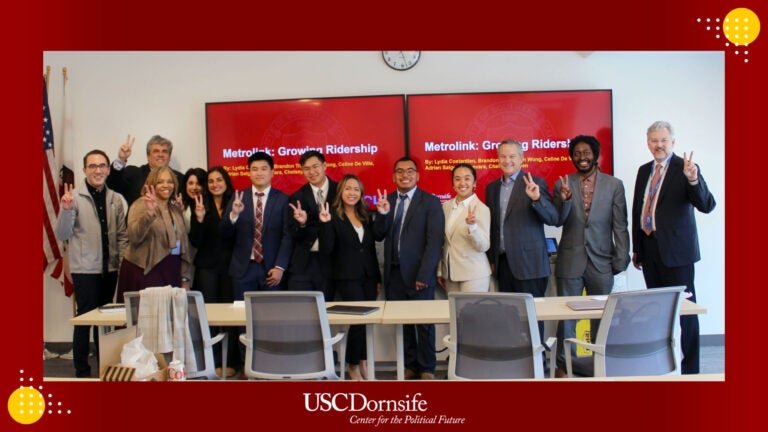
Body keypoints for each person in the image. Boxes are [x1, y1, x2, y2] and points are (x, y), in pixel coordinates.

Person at [632, 121, 716, 374]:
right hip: (650, 249)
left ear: (673, 143)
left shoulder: (686, 168)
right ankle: (662, 366)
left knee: (685, 313)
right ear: (648, 143)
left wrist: (694, 179)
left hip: (678, 254)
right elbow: (640, 209)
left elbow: (707, 205)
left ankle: (690, 370)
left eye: (663, 140)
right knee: (657, 313)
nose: (658, 145)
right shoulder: (644, 170)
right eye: (654, 141)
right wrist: (638, 248)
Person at [552, 135, 630, 377]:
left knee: (602, 316)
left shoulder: (614, 185)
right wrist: (564, 200)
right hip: (570, 259)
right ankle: (566, 365)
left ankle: (600, 363)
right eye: (577, 153)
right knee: (567, 317)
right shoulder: (562, 184)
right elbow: (558, 220)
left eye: (586, 153)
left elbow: (620, 225)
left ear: (595, 155)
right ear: (571, 157)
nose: (582, 158)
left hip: (602, 260)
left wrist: (621, 257)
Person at [55, 149, 128, 378]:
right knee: (85, 319)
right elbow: (62, 233)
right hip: (85, 270)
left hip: (110, 269)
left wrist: (122, 262)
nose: (98, 170)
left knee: (105, 322)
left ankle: (104, 369)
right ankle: (82, 373)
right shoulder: (73, 198)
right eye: (93, 166)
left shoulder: (115, 198)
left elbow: (122, 236)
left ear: (108, 169)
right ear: (85, 170)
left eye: (102, 166)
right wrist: (66, 211)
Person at [373, 157, 444, 380]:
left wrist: (425, 274)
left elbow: (434, 242)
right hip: (394, 275)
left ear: (418, 175)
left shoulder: (430, 202)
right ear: (394, 176)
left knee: (424, 325)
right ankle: (410, 364)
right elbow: (378, 235)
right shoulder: (388, 200)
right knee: (403, 324)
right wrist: (382, 214)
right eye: (400, 171)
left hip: (419, 274)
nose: (405, 175)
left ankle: (427, 368)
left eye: (410, 171)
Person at [485, 139, 558, 347]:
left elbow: (552, 218)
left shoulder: (535, 182)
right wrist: (492, 259)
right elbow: (493, 227)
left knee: (532, 318)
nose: (507, 160)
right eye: (502, 156)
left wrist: (536, 199)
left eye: (512, 156)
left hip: (530, 265)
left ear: (521, 158)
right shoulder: (491, 188)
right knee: (509, 318)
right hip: (503, 264)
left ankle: (538, 363)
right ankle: (515, 362)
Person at [318, 174, 381, 380]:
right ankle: (352, 365)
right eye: (348, 189)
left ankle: (362, 360)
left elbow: (371, 249)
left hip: (369, 276)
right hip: (347, 277)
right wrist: (325, 224)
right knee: (357, 321)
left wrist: (377, 277)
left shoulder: (365, 215)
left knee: (366, 320)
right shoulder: (333, 216)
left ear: (361, 193)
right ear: (341, 192)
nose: (352, 193)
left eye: (356, 189)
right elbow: (326, 249)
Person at [221, 151, 292, 298]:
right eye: (254, 169)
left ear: (272, 172)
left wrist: (280, 267)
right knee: (242, 316)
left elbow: (288, 236)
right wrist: (234, 215)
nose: (259, 173)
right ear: (249, 173)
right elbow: (224, 234)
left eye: (264, 168)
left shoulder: (283, 199)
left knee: (271, 316)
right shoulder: (238, 198)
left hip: (272, 270)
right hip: (243, 269)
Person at [189, 166, 238, 378]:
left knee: (231, 317)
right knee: (210, 317)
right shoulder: (200, 205)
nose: (215, 184)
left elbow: (240, 237)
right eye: (210, 181)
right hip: (207, 268)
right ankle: (214, 361)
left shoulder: (235, 203)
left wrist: (235, 216)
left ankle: (233, 361)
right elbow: (196, 241)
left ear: (226, 182)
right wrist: (199, 220)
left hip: (231, 268)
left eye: (219, 180)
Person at [117, 166, 192, 302]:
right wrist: (149, 214)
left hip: (171, 271)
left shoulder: (174, 209)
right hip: (144, 271)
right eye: (160, 182)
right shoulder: (141, 205)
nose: (166, 185)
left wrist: (185, 278)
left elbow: (183, 245)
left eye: (170, 181)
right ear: (151, 184)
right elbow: (134, 237)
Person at [286, 150, 338, 301]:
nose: (312, 172)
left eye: (315, 166)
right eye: (306, 168)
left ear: (325, 166)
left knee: (327, 314)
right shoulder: (297, 196)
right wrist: (302, 224)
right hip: (304, 263)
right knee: (300, 314)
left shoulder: (341, 191)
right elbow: (293, 234)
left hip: (331, 263)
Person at [437, 163, 491, 293]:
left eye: (467, 178)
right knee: (454, 313)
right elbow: (443, 243)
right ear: (453, 183)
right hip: (450, 275)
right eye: (457, 179)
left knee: (472, 313)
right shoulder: (446, 206)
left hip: (474, 275)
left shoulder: (482, 209)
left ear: (474, 183)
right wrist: (440, 270)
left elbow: (483, 246)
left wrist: (472, 227)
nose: (462, 183)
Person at [107, 134, 184, 206]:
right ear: (148, 156)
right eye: (156, 151)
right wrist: (121, 159)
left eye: (164, 151)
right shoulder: (134, 174)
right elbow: (112, 185)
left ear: (169, 157)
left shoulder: (180, 178)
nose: (160, 155)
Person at [180, 167, 208, 288]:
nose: (194, 187)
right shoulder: (178, 204)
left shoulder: (208, 206)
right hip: (182, 259)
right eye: (190, 183)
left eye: (198, 183)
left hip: (202, 262)